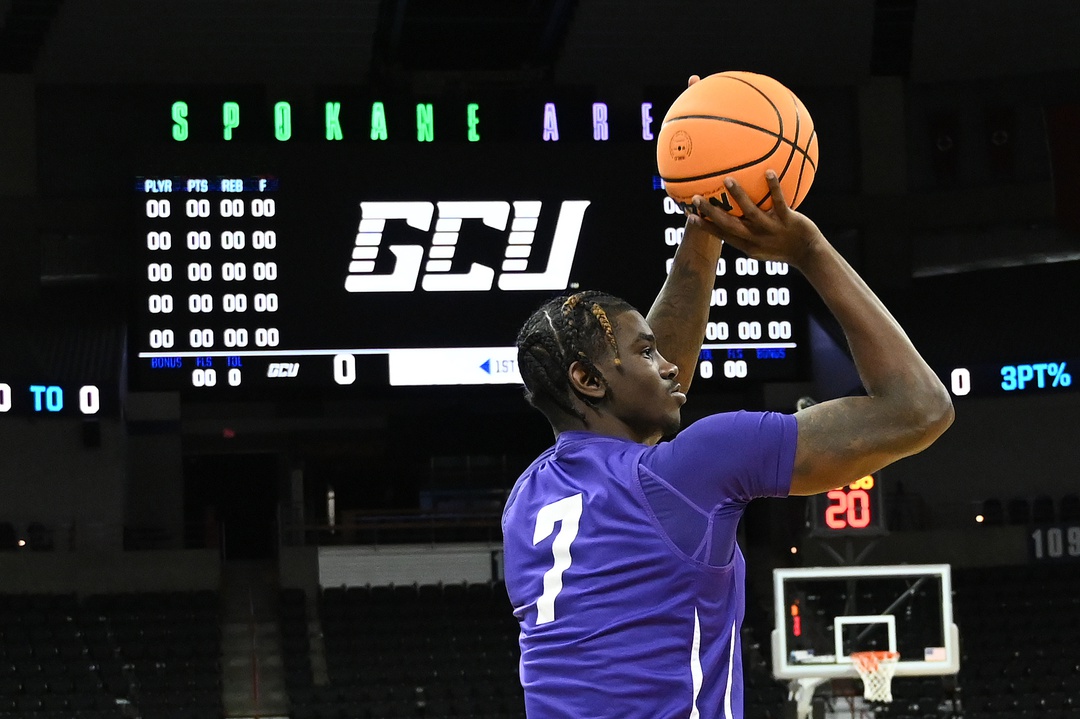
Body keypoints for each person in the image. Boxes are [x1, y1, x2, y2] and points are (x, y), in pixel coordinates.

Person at [501, 127, 955, 717]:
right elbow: (920, 410)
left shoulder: (527, 500)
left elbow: (641, 410)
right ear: (588, 380)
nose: (669, 365)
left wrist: (702, 233)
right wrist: (810, 250)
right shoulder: (693, 468)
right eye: (645, 353)